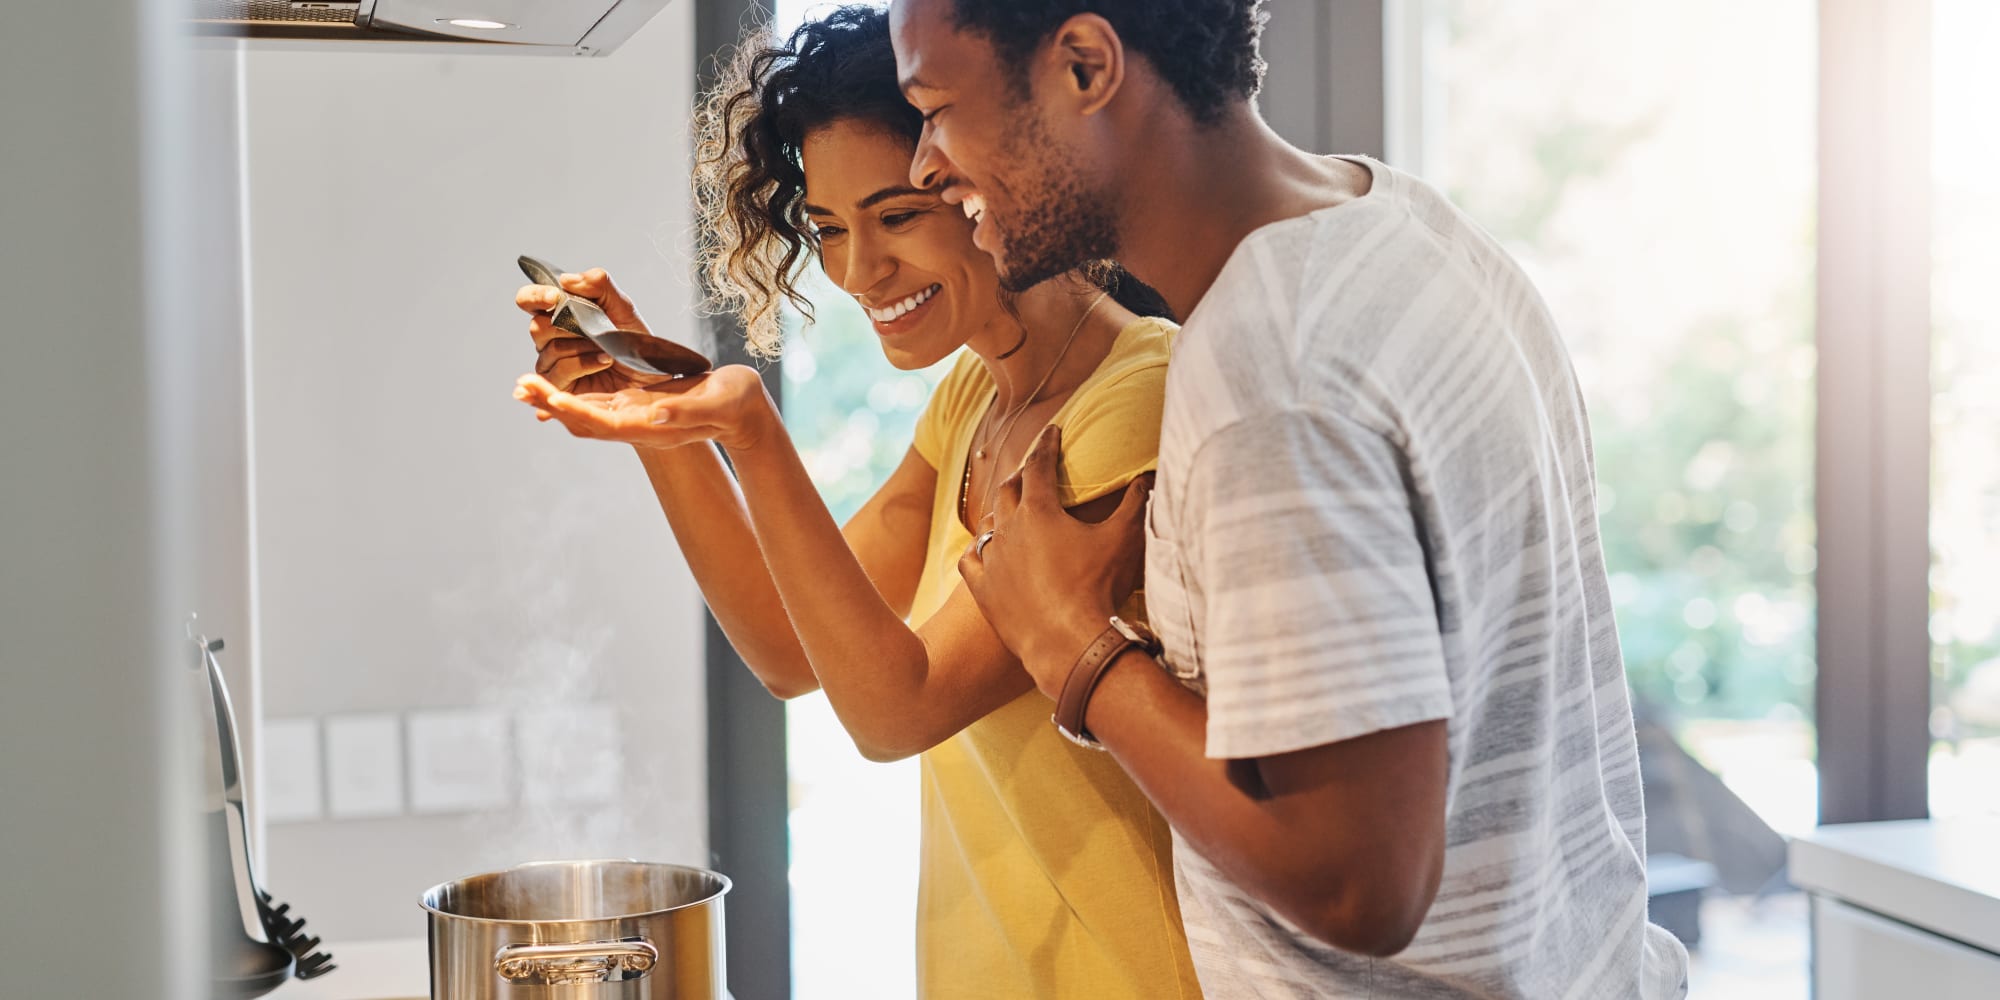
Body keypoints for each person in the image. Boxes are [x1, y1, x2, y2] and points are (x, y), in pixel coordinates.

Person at [884, 1, 1693, 997]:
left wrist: (1074, 647)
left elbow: (1360, 884)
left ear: (1086, 66)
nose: (923, 164)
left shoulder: (1267, 374)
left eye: (935, 108)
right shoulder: (1403, 224)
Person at [511, 7, 1204, 998]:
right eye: (827, 228)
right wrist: (658, 415)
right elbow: (790, 648)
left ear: (978, 179)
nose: (854, 271)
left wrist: (749, 428)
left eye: (894, 215)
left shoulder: (1130, 403)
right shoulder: (976, 393)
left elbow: (894, 709)